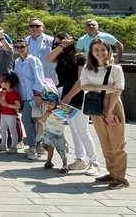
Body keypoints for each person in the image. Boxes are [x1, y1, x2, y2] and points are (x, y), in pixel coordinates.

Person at [80, 38, 128, 189]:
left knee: (117, 141)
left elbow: (117, 90)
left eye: (103, 49)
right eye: (96, 49)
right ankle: (112, 172)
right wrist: (106, 87)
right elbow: (84, 86)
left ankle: (121, 178)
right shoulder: (88, 68)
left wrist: (109, 111)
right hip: (95, 105)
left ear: (108, 51)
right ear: (91, 52)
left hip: (112, 104)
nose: (100, 52)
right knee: (104, 141)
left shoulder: (115, 69)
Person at [53, 33, 100, 176]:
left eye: (60, 43)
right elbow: (48, 58)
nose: (57, 46)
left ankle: (94, 162)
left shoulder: (79, 58)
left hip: (77, 95)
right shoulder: (60, 57)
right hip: (63, 94)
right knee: (73, 128)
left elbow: (81, 80)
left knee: (83, 130)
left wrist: (69, 96)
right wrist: (61, 47)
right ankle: (81, 159)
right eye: (55, 44)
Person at [13, 39, 45, 160]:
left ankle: (32, 147)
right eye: (17, 47)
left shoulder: (33, 60)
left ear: (27, 47)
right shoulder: (17, 62)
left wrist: (37, 93)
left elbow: (39, 78)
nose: (20, 49)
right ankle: (38, 144)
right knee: (34, 120)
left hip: (33, 96)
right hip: (23, 95)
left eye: (22, 46)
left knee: (26, 119)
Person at [40, 95, 70, 173]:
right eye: (47, 103)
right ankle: (49, 161)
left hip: (57, 133)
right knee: (50, 148)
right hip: (48, 132)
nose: (49, 105)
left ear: (56, 103)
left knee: (61, 149)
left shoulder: (59, 111)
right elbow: (43, 120)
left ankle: (65, 164)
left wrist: (54, 113)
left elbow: (62, 117)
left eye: (51, 103)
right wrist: (46, 114)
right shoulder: (46, 111)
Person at [26, 18, 57, 85]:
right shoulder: (25, 42)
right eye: (31, 26)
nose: (34, 28)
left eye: (37, 26)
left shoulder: (52, 40)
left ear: (43, 28)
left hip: (48, 77)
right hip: (31, 78)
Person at [0, 72, 21, 154]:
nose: (0, 83)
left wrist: (8, 105)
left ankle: (14, 146)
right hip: (3, 113)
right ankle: (3, 145)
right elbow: (1, 102)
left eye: (1, 81)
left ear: (8, 83)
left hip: (11, 115)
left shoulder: (14, 94)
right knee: (2, 129)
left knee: (12, 130)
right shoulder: (4, 92)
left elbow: (18, 105)